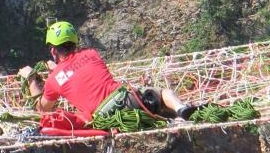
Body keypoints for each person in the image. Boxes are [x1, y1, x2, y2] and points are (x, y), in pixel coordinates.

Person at [19, 21, 195, 129]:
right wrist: (57, 69)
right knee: (161, 94)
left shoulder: (54, 80)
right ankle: (181, 108)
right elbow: (78, 70)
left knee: (154, 112)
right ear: (74, 43)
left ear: (53, 50)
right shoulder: (91, 53)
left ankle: (173, 119)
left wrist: (31, 78)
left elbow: (42, 110)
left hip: (105, 118)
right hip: (127, 100)